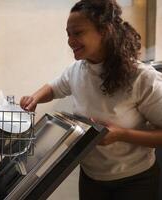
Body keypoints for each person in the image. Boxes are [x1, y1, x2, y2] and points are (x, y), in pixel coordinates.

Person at [20, 0, 162, 199]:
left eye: (77, 33)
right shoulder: (77, 70)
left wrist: (120, 134)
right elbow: (53, 88)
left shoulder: (141, 77)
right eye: (68, 34)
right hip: (91, 178)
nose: (70, 41)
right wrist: (34, 98)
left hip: (136, 181)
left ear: (104, 31)